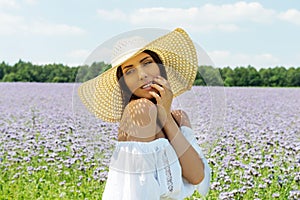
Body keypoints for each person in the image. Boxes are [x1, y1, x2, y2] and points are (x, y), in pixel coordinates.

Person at [78, 28, 211, 199]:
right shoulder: (139, 111)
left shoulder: (179, 117)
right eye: (129, 71)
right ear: (124, 83)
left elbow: (197, 177)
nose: (142, 75)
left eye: (147, 63)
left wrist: (165, 116)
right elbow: (137, 192)